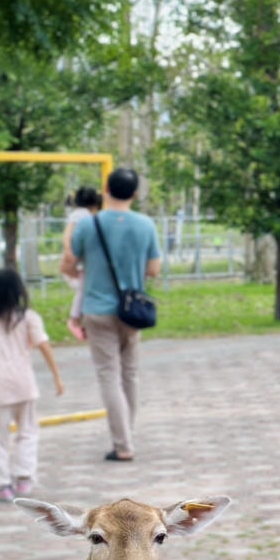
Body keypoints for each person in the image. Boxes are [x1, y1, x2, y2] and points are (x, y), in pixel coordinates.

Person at [60, 167, 161, 463]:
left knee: (109, 375)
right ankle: (126, 434)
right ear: (135, 193)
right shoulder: (146, 225)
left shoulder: (89, 226)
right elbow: (154, 270)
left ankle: (123, 444)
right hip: (132, 310)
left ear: (105, 189)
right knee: (129, 374)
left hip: (96, 309)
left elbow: (70, 261)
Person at [0, 268, 65, 502]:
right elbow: (44, 346)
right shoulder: (28, 318)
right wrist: (56, 376)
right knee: (28, 432)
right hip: (24, 384)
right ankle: (24, 478)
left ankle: (3, 483)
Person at [61, 186, 103, 342]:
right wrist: (68, 251)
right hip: (76, 258)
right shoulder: (83, 216)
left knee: (85, 289)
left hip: (78, 257)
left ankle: (83, 320)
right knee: (83, 289)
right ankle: (75, 319)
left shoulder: (78, 214)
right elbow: (68, 234)